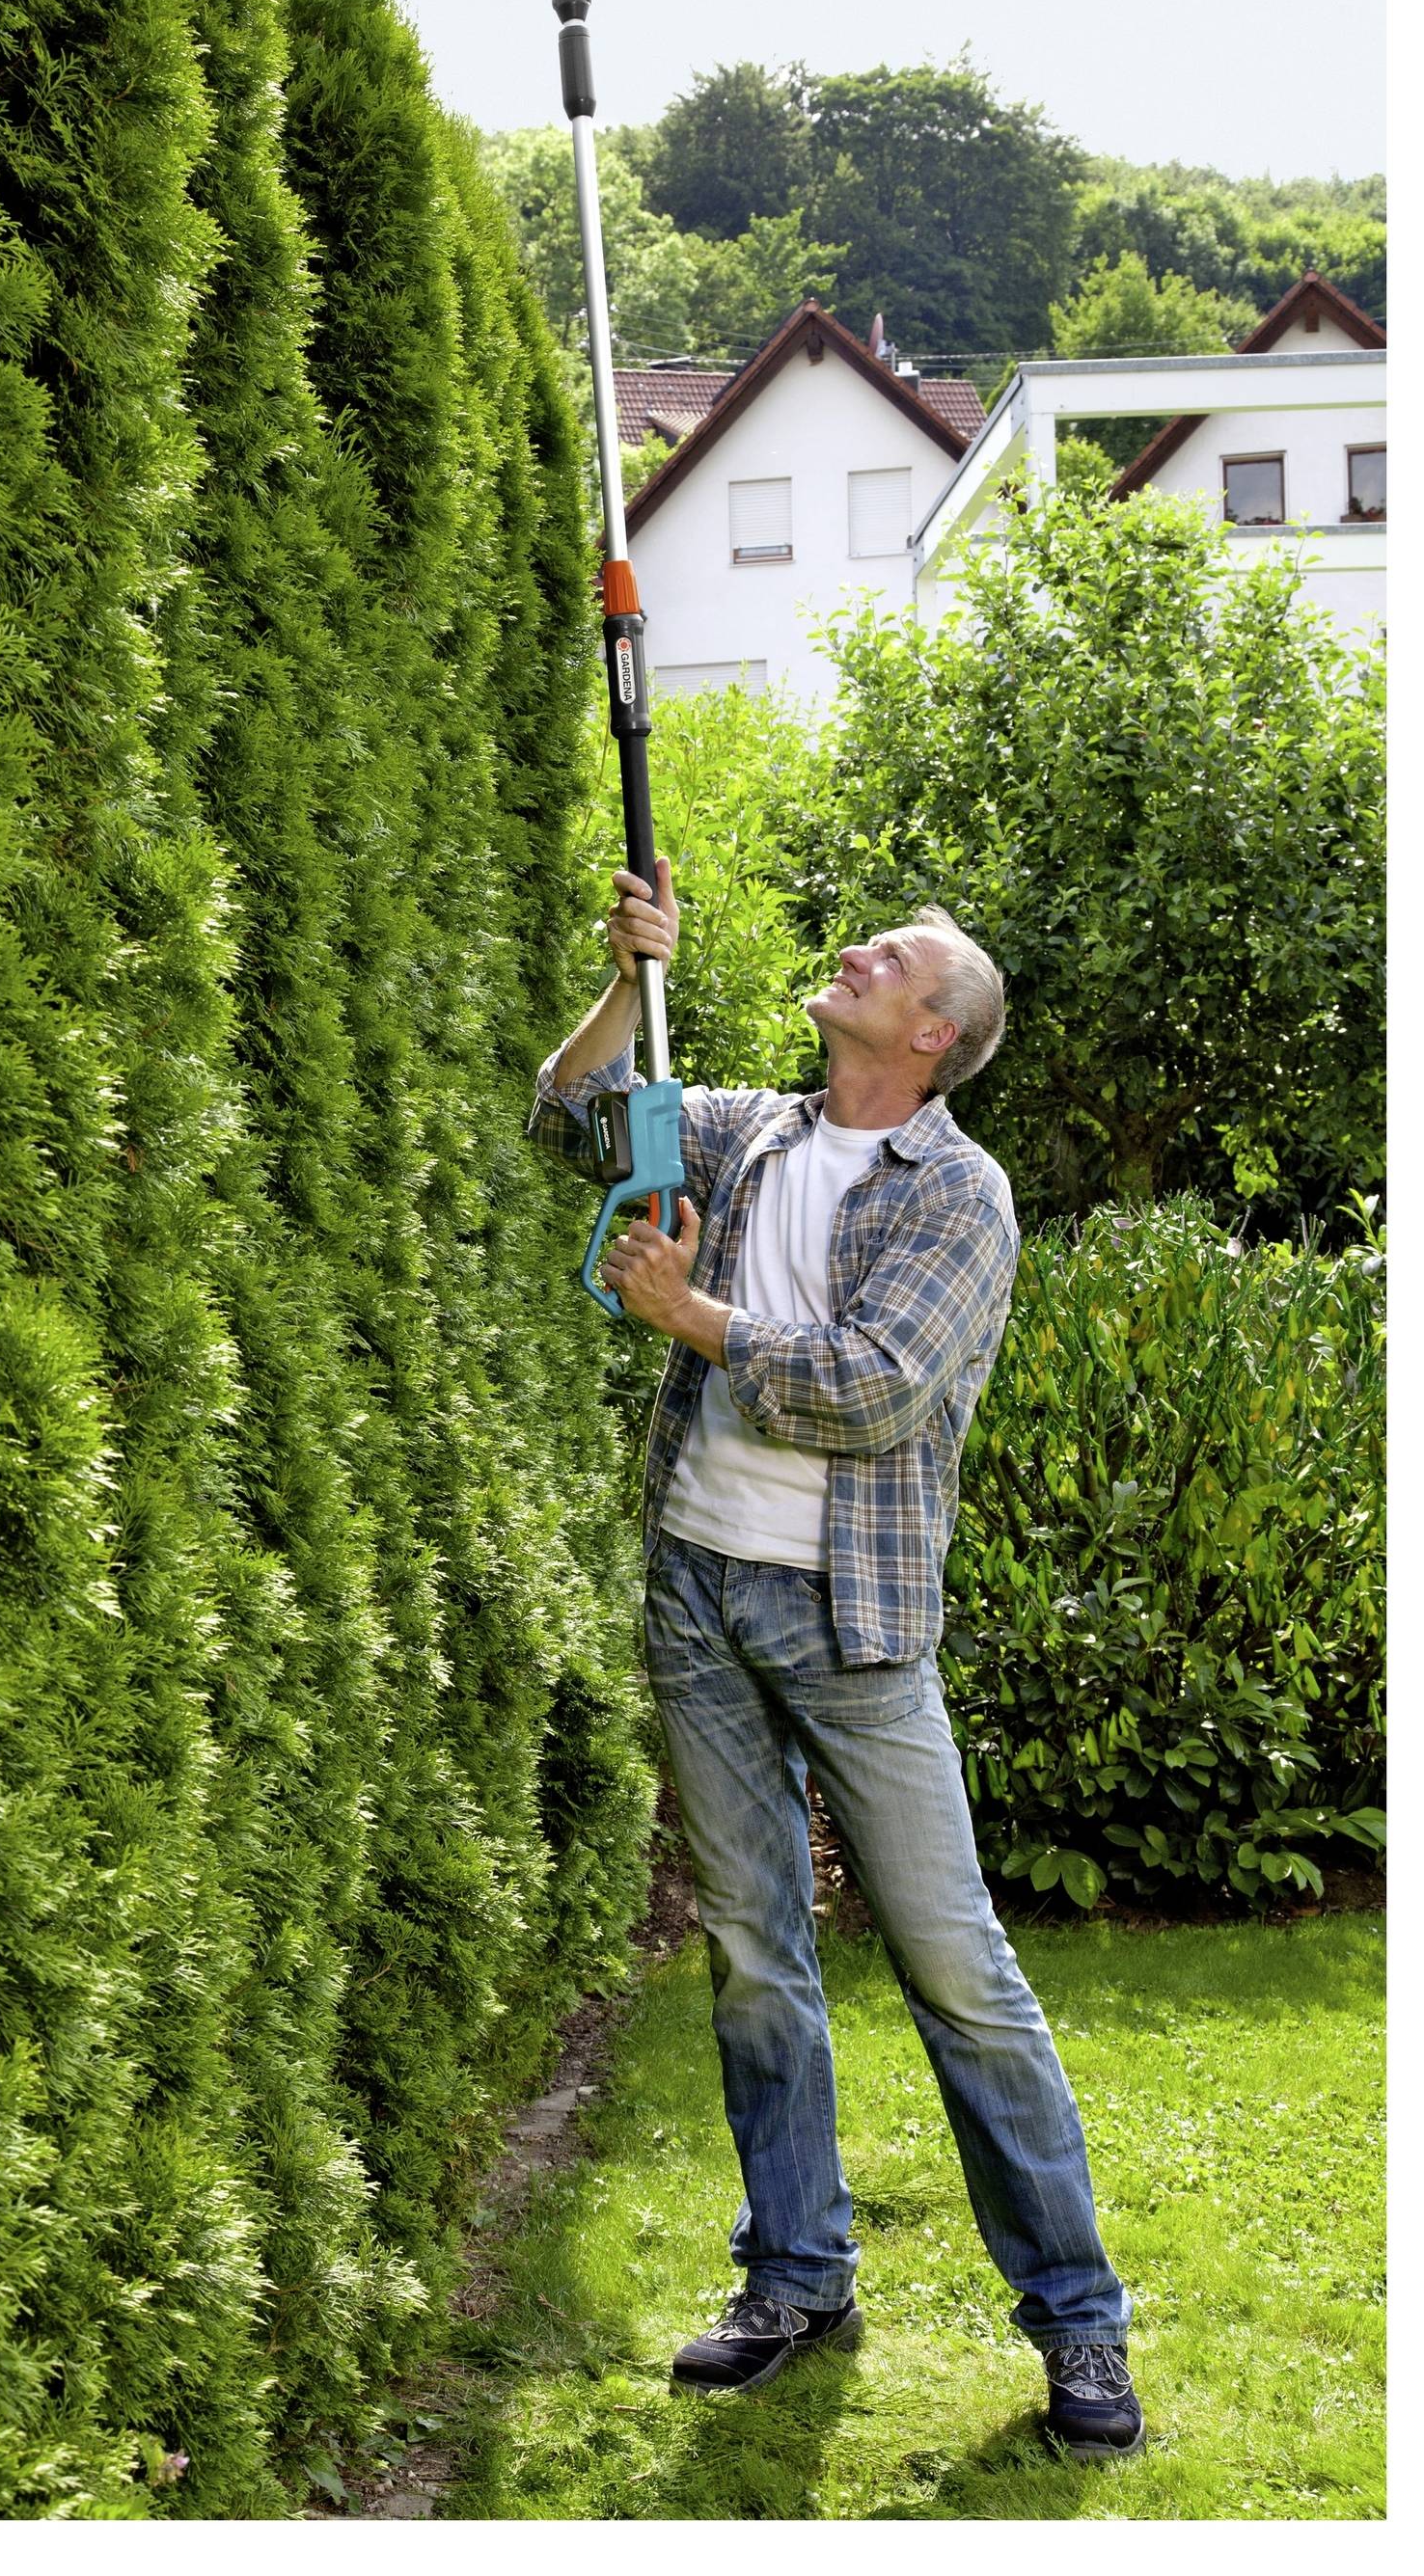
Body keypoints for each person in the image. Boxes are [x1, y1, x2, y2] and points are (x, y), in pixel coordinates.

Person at [525, 855, 1142, 2462]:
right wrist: (625, 975)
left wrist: (701, 1322)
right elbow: (566, 1115)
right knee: (752, 1952)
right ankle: (798, 2279)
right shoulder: (754, 1132)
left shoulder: (957, 1194)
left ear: (934, 1033)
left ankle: (1079, 2322)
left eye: (897, 957)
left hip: (853, 1624)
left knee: (957, 1970)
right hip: (701, 1590)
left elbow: (875, 1390)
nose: (861, 951)